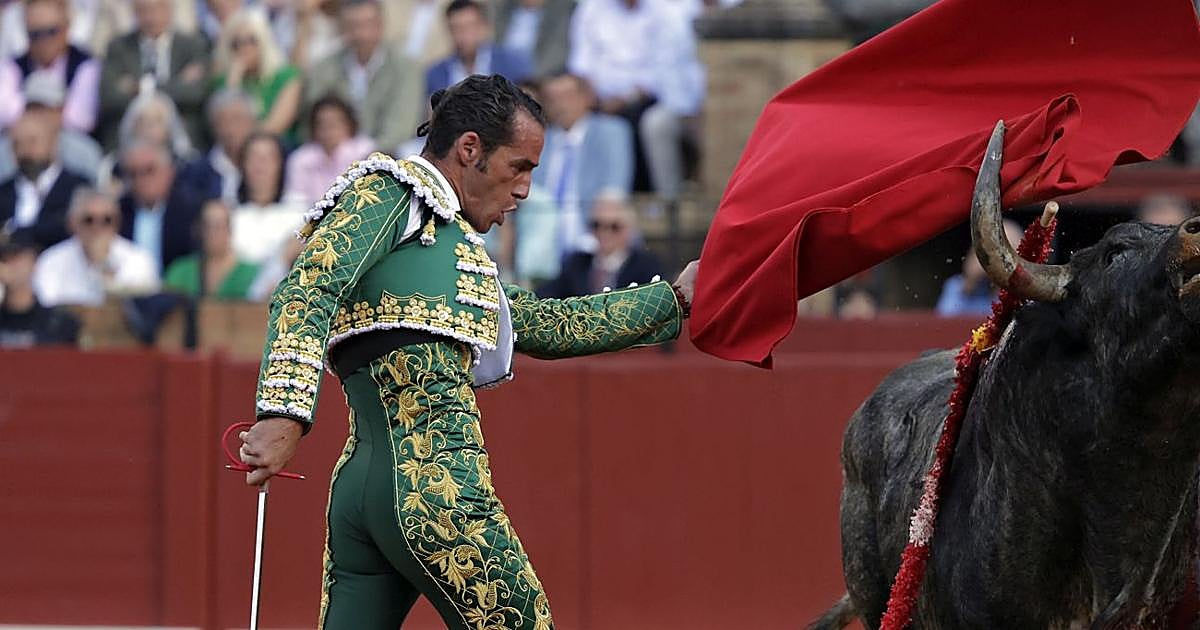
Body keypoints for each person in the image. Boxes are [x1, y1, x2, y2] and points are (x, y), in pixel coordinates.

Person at [238, 74, 698, 630]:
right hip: (437, 489)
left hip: (364, 492)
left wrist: (673, 299)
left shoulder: (452, 246)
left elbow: (547, 325)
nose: (525, 189)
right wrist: (283, 414)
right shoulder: (393, 192)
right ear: (470, 149)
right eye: (519, 167)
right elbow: (307, 286)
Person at [567, 0, 704, 200]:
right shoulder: (591, 8)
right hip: (599, 99)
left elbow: (666, 69)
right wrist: (594, 97)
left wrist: (629, 96)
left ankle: (660, 202)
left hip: (649, 98)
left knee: (649, 121)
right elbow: (580, 65)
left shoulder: (664, 11)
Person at [534, 72, 634, 258]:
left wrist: (596, 233)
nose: (560, 104)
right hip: (543, 243)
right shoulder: (541, 140)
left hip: (594, 234)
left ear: (586, 98)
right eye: (552, 98)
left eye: (567, 96)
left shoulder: (611, 131)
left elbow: (615, 188)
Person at [303, 0, 423, 151]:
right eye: (353, 26)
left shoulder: (405, 67)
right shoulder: (325, 67)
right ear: (343, 28)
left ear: (380, 25)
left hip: (387, 154)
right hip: (333, 151)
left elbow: (401, 126)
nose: (361, 34)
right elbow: (315, 117)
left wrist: (366, 155)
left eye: (367, 25)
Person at [97, 0, 210, 150]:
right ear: (135, 13)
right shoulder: (119, 48)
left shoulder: (193, 45)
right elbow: (110, 98)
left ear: (170, 10)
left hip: (183, 137)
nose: (152, 17)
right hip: (130, 139)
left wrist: (141, 87)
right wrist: (177, 83)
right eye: (144, 10)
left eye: (158, 8)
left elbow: (195, 94)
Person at [34, 187, 159, 306]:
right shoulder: (51, 261)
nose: (97, 228)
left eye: (107, 220)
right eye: (89, 220)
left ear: (117, 223)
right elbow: (48, 308)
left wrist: (103, 266)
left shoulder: (138, 260)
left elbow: (137, 313)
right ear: (72, 223)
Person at [0, 0, 101, 133]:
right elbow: (3, 113)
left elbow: (82, 119)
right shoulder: (13, 66)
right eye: (35, 34)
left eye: (51, 32)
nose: (43, 41)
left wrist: (29, 113)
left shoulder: (86, 64)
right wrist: (56, 112)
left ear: (66, 29)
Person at [538, 190, 663, 297]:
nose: (604, 233)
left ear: (629, 229)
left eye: (614, 227)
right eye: (597, 225)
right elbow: (545, 295)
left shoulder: (645, 266)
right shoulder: (577, 264)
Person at [0, 110, 90, 249]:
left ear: (53, 142)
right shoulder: (4, 192)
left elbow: (65, 230)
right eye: (17, 144)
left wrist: (13, 235)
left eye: (32, 141)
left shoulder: (77, 188)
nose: (25, 151)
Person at [211, 8, 301, 139]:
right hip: (236, 148)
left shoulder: (286, 76)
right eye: (236, 43)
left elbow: (276, 125)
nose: (244, 48)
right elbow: (225, 125)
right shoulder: (223, 83)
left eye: (251, 41)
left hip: (276, 146)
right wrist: (233, 83)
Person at [117, 140, 205, 271]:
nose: (140, 179)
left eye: (149, 170)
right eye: (132, 173)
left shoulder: (192, 210)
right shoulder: (118, 212)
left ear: (169, 172)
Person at [0, 71, 103, 183]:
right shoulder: (5, 148)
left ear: (61, 110)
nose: (39, 115)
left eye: (46, 109)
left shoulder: (85, 152)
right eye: (33, 108)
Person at [425, 0, 532, 101]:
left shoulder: (512, 64)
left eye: (469, 27)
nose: (463, 35)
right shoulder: (436, 74)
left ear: (484, 26)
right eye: (456, 28)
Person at [284, 94, 375, 207]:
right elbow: (295, 204)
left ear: (350, 125)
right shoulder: (301, 159)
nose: (328, 130)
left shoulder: (365, 152)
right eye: (322, 124)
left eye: (334, 123)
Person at [231, 131, 303, 266]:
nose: (260, 165)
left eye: (268, 158)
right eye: (254, 157)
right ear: (242, 164)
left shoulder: (301, 215)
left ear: (281, 164)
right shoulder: (228, 214)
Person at [162, 198, 259, 298]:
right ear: (198, 230)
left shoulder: (251, 274)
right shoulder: (180, 272)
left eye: (218, 226)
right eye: (206, 225)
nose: (211, 233)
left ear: (230, 230)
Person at [0, 226, 79, 347]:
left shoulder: (59, 324)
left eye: (15, 256)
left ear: (34, 261)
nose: (7, 263)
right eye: (3, 257)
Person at [180, 88, 257, 204]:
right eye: (223, 122)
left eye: (238, 119)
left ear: (252, 122)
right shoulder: (197, 171)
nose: (231, 129)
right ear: (213, 127)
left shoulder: (276, 163)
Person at [935, 219, 1024, 317]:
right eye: (989, 251)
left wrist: (1004, 286)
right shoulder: (958, 287)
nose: (997, 260)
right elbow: (945, 321)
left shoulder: (1027, 296)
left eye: (1005, 253)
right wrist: (970, 283)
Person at [492, 0, 574, 79]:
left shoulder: (564, 11)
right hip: (500, 74)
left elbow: (556, 52)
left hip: (540, 78)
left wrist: (534, 81)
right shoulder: (503, 10)